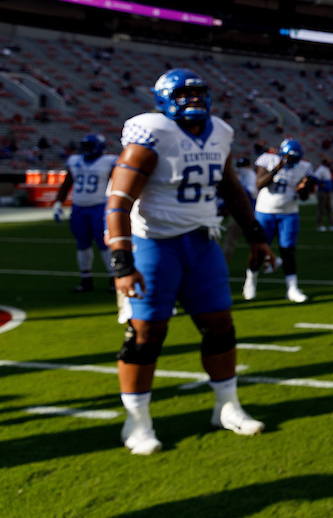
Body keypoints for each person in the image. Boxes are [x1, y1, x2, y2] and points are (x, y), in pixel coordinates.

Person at [104, 68, 277, 455]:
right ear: (163, 100)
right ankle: (138, 422)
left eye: (199, 94)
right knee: (146, 333)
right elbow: (118, 200)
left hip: (200, 241)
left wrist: (257, 238)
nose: (193, 101)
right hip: (154, 244)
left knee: (220, 325)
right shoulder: (152, 134)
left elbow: (231, 187)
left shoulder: (220, 131)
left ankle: (227, 406)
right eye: (184, 94)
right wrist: (121, 261)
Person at [245, 137, 313, 304]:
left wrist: (303, 189)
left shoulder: (305, 167)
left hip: (289, 213)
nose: (291, 161)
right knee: (258, 250)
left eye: (294, 159)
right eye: (289, 158)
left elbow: (304, 197)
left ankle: (292, 288)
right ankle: (250, 281)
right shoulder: (268, 160)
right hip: (265, 212)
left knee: (288, 251)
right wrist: (276, 169)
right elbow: (259, 183)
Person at [53, 133, 118, 293]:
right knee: (82, 245)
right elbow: (67, 182)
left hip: (100, 207)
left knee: (105, 244)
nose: (86, 149)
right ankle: (86, 279)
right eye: (85, 146)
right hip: (79, 208)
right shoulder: (75, 161)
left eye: (89, 146)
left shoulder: (109, 162)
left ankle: (113, 278)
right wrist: (58, 203)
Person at [220, 157, 258, 264]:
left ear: (248, 166)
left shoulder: (251, 176)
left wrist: (238, 190)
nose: (241, 169)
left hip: (245, 212)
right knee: (253, 241)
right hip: (244, 211)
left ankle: (223, 263)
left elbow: (250, 193)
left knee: (230, 239)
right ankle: (270, 258)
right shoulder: (242, 176)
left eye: (243, 167)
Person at [312, 156, 333, 231]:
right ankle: (319, 224)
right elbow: (315, 178)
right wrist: (321, 184)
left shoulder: (326, 169)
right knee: (321, 208)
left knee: (329, 208)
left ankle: (332, 224)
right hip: (322, 192)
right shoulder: (321, 169)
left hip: (327, 191)